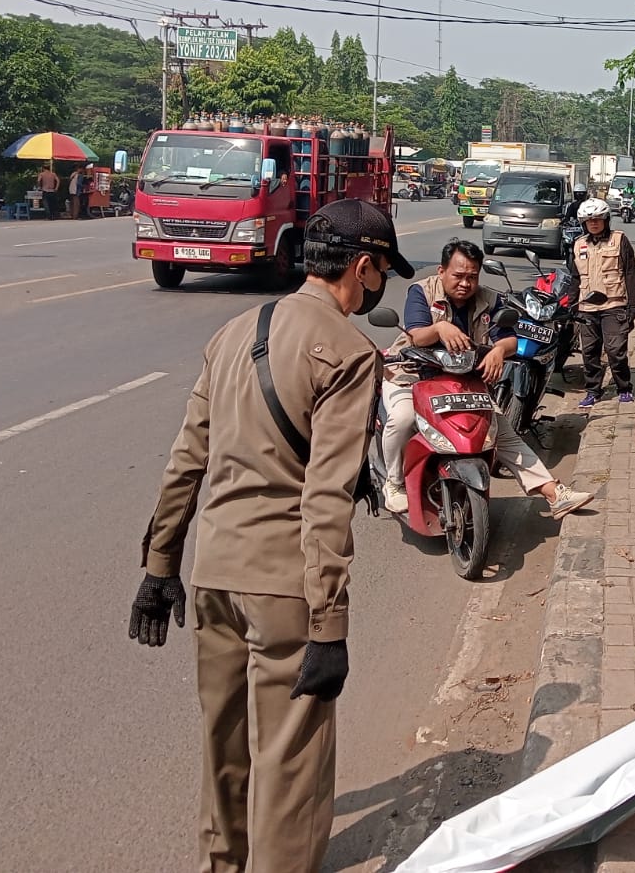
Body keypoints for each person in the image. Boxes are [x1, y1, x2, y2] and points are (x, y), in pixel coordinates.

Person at [127, 198, 417, 873]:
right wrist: (329, 620)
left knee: (222, 748)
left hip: (212, 576)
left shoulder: (233, 334)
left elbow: (185, 462)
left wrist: (160, 566)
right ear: (364, 267)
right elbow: (324, 498)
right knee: (291, 766)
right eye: (381, 275)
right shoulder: (347, 352)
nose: (380, 287)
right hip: (285, 587)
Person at [379, 239, 593, 519]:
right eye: (458, 275)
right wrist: (440, 327)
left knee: (499, 428)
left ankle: (554, 493)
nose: (465, 283)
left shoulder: (490, 299)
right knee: (404, 417)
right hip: (411, 374)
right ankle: (394, 484)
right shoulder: (421, 291)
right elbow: (417, 335)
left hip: (461, 378)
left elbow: (511, 340)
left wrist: (498, 351)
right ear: (442, 271)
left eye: (472, 276)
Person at [568, 197, 635, 408]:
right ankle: (593, 391)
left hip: (614, 305)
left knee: (616, 350)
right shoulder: (579, 244)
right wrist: (570, 306)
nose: (594, 223)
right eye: (590, 220)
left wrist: (634, 307)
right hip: (586, 308)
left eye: (598, 219)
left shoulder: (620, 240)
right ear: (584, 223)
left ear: (606, 220)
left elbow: (629, 274)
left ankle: (624, 388)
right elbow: (574, 277)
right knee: (589, 352)